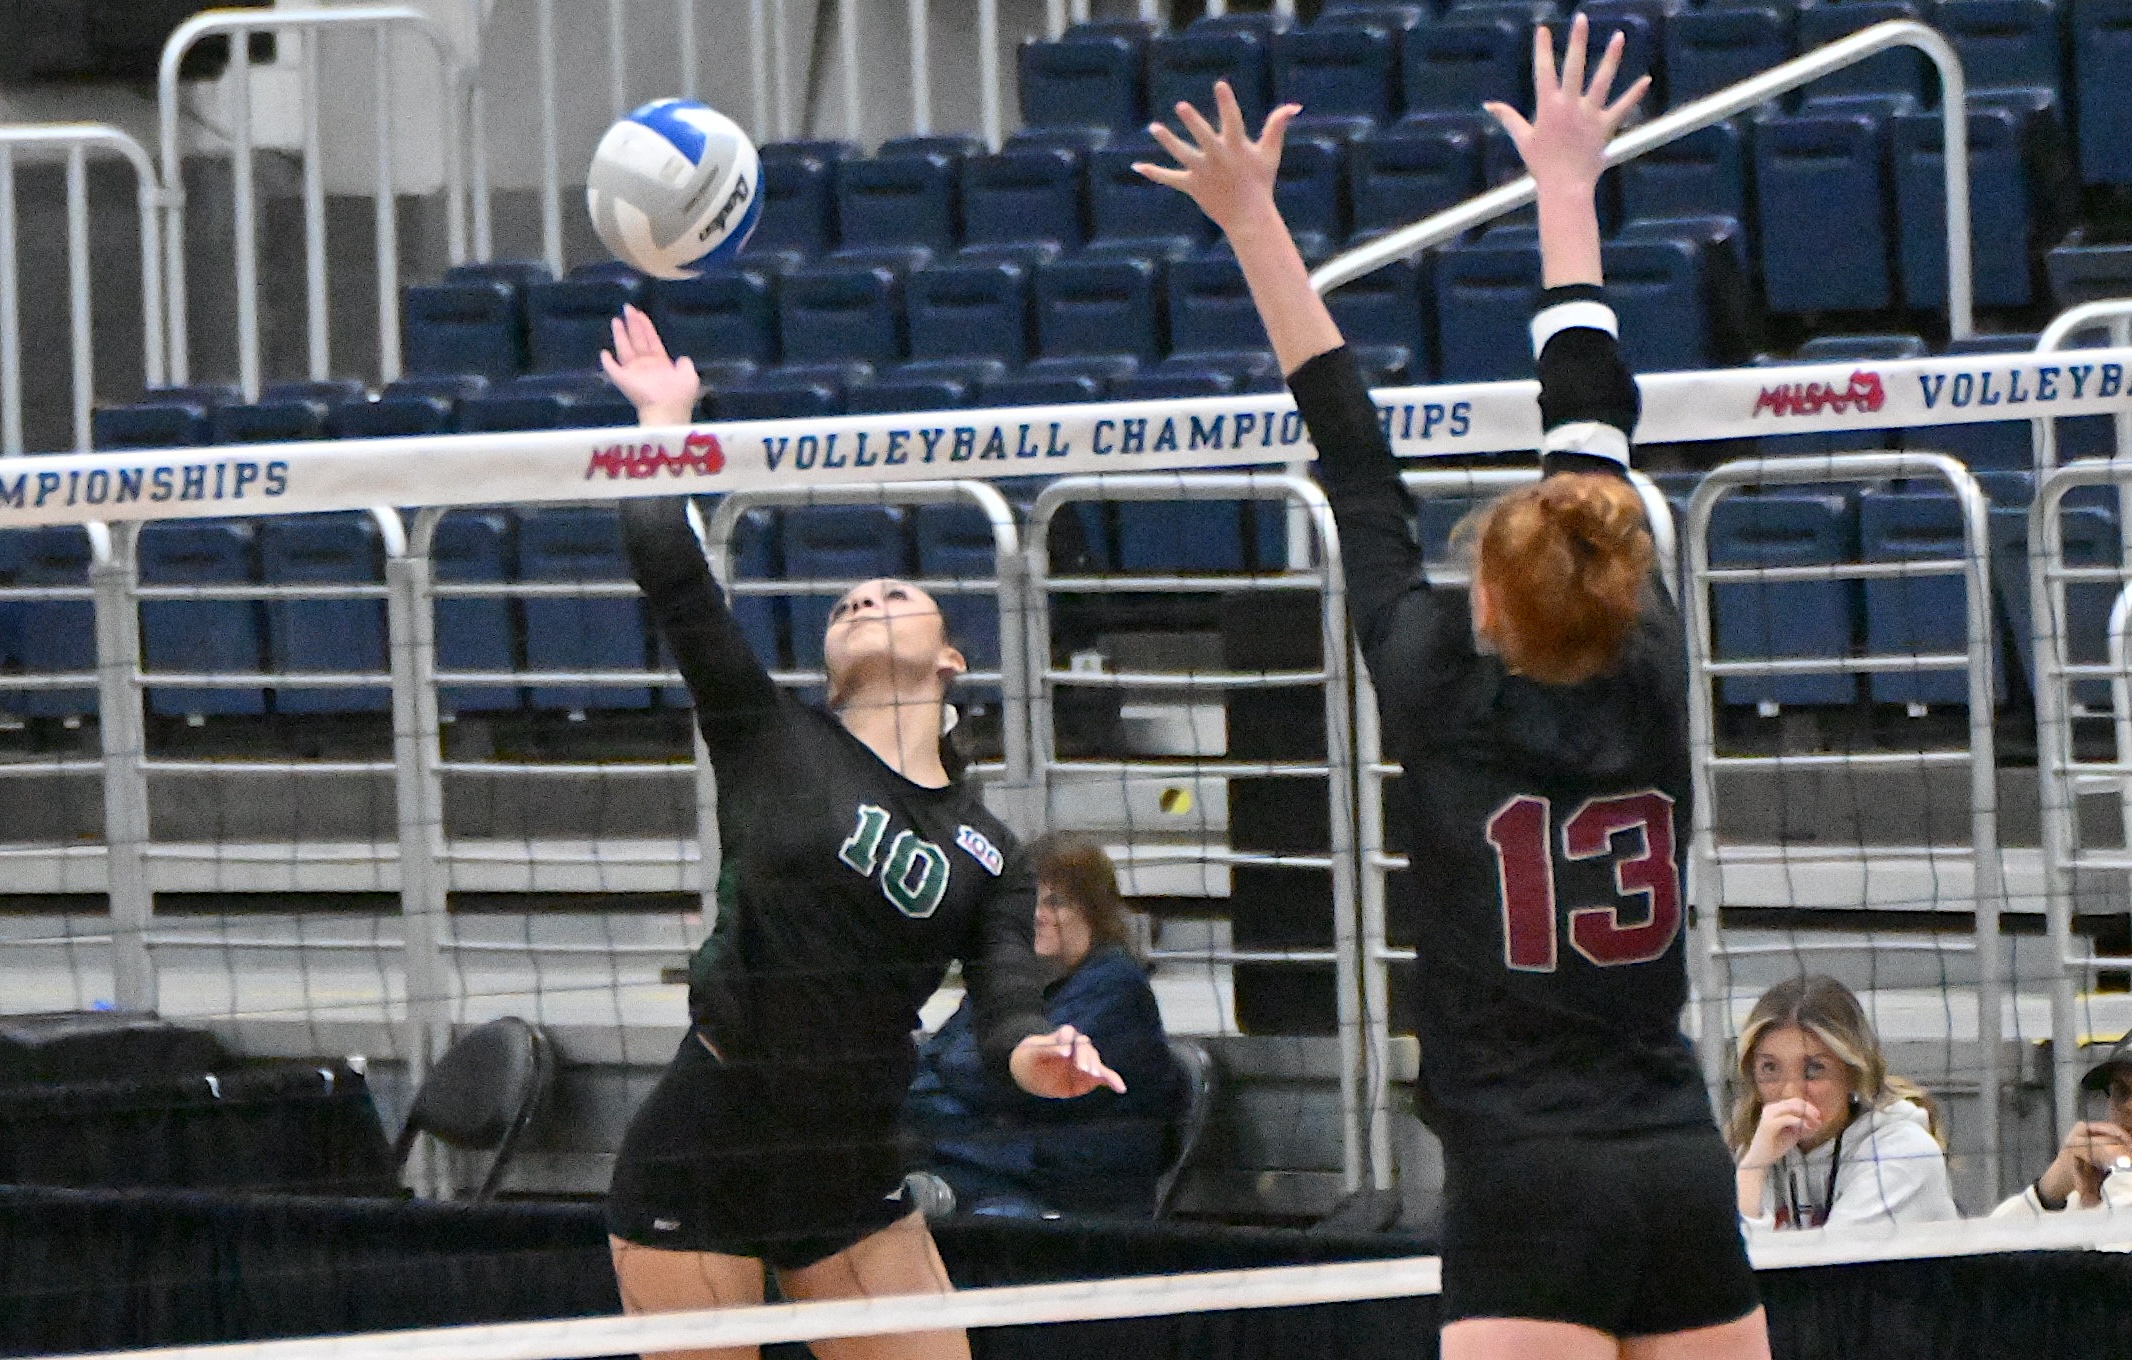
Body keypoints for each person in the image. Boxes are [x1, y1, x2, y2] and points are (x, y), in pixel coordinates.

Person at [1136, 17, 1767, 1359]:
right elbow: (1590, 409)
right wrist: (1567, 189)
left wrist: (1251, 217)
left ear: (1483, 600)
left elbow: (1349, 447)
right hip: (1674, 1166)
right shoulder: (1651, 657)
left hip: (1526, 1187)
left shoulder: (1435, 683)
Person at [598, 304, 1124, 1360]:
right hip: (711, 1137)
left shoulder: (987, 850)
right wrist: (663, 421)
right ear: (827, 665)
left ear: (951, 663)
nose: (867, 595)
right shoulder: (769, 735)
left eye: (896, 590)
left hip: (846, 1161)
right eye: (849, 599)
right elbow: (668, 562)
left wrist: (1042, 1059)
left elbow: (1005, 1010)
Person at [904, 832, 1182, 1218]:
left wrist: (972, 1082)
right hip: (990, 1167)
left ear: (1094, 912)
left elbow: (1014, 1085)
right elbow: (923, 1070)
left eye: (1057, 902)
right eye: (1031, 900)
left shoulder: (1117, 988)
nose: (1037, 914)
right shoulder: (1014, 986)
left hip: (1071, 1196)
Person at [1729, 974, 1958, 1232]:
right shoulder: (1759, 1149)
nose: (1790, 1093)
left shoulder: (1905, 1152)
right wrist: (1753, 1167)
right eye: (1770, 1068)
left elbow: (1832, 1268)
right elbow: (1726, 1262)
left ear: (1853, 1074)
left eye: (1814, 1069)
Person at [1991, 1029, 2132, 1240]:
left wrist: (2123, 1170)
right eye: (2121, 1091)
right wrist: (2046, 1194)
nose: (2129, 1106)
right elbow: (1983, 1256)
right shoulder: (2093, 1183)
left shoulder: (2118, 1185)